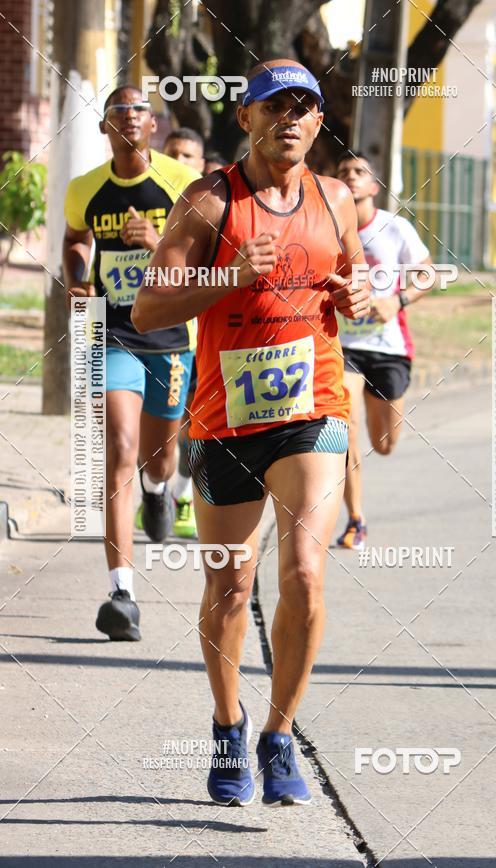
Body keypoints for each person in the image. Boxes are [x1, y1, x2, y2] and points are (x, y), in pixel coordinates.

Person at [132, 59, 369, 806]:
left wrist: (361, 292)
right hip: (225, 420)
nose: (290, 119)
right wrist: (230, 277)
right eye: (275, 107)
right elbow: (147, 310)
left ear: (319, 122)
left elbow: (355, 283)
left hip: (313, 410)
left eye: (304, 107)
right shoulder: (208, 202)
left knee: (303, 569)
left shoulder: (337, 201)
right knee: (231, 586)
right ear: (247, 119)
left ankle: (278, 734)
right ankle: (229, 725)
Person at [63, 86, 200, 641]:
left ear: (153, 127)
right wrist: (77, 277)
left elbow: (208, 254)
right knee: (119, 446)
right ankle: (122, 592)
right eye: (118, 114)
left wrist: (160, 238)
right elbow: (76, 240)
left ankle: (158, 489)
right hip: (114, 331)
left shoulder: (180, 184)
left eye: (139, 113)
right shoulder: (84, 190)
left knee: (159, 456)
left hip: (170, 336)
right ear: (106, 129)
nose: (129, 121)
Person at [335, 152, 433, 550]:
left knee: (384, 443)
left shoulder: (396, 228)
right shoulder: (329, 228)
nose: (351, 178)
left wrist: (399, 300)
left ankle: (359, 508)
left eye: (359, 172)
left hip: (389, 347)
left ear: (374, 186)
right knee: (346, 430)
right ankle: (356, 519)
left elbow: (427, 272)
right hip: (344, 344)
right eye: (343, 173)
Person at [160, 128, 206, 538]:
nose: (180, 161)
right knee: (161, 423)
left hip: (200, 338)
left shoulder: (213, 208)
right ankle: (158, 489)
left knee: (194, 421)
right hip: (152, 336)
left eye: (188, 156)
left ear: (202, 164)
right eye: (173, 153)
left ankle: (186, 493)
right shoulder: (146, 203)